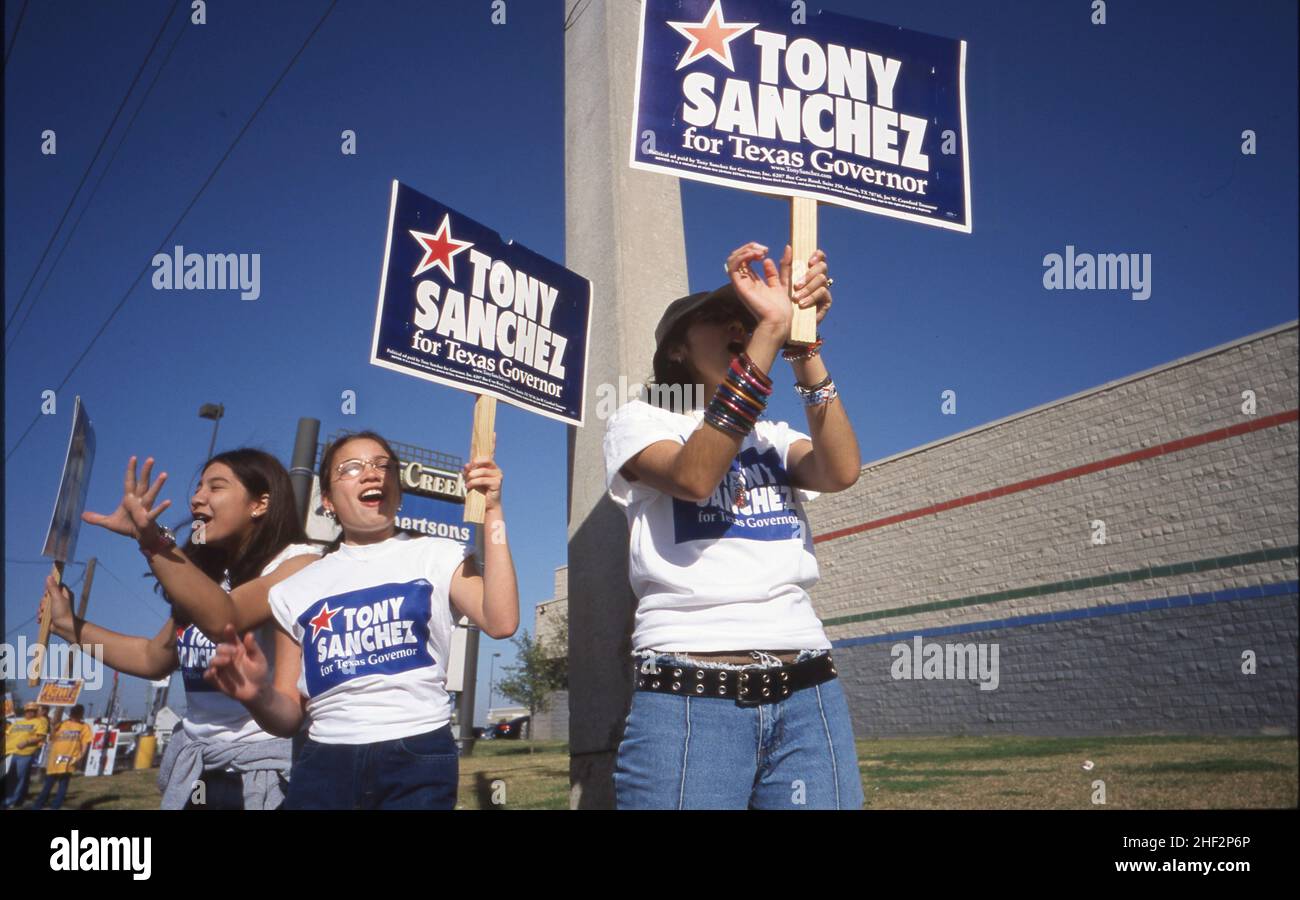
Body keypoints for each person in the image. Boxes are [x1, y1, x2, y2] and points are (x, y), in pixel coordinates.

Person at [603, 241, 866, 809]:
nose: (739, 327)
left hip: (807, 687)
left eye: (745, 320)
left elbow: (841, 470)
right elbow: (694, 477)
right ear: (676, 347)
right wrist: (770, 332)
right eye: (722, 320)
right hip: (690, 696)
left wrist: (804, 347)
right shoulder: (639, 421)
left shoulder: (772, 435)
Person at [205, 430, 520, 810]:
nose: (371, 474)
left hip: (417, 751)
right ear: (327, 500)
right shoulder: (293, 589)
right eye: (351, 468)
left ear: (397, 491)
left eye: (382, 465)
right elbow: (288, 716)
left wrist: (493, 513)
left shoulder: (439, 555)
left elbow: (501, 622)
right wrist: (257, 696)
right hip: (323, 761)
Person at [41, 449, 320, 809]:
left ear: (260, 503)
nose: (197, 497)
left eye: (215, 487)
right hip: (197, 771)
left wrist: (152, 541)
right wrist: (69, 626)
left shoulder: (299, 562)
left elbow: (226, 618)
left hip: (263, 775)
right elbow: (151, 657)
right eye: (198, 486)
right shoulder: (205, 580)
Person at [31, 704, 92, 810]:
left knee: (63, 785)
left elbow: (85, 743)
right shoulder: (62, 723)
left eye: (78, 713)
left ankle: (55, 807)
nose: (75, 715)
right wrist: (59, 709)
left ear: (81, 714)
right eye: (74, 712)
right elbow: (53, 731)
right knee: (48, 784)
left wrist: (81, 757)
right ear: (71, 712)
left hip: (69, 760)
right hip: (55, 759)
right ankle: (37, 806)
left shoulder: (84, 727)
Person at [4, 701, 49, 808]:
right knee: (8, 778)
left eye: (33, 711)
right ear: (25, 711)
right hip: (9, 753)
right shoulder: (17, 723)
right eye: (28, 711)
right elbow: (7, 735)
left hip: (24, 754)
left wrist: (27, 742)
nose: (30, 713)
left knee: (18, 778)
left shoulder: (39, 722)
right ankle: (7, 797)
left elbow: (41, 737)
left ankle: (11, 801)